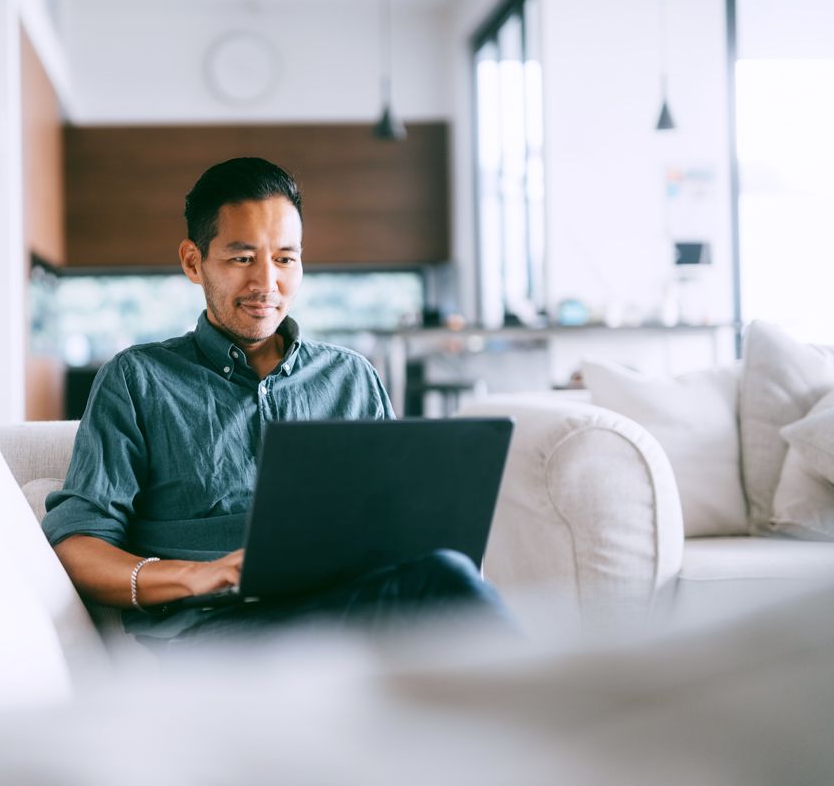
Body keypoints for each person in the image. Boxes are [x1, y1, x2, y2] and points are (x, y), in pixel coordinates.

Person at [41, 157, 504, 646]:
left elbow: (395, 523)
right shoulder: (137, 379)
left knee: (445, 576)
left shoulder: (350, 377)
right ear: (193, 262)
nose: (267, 284)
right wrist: (196, 575)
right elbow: (78, 543)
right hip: (215, 631)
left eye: (285, 258)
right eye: (242, 259)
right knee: (443, 583)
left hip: (344, 610)